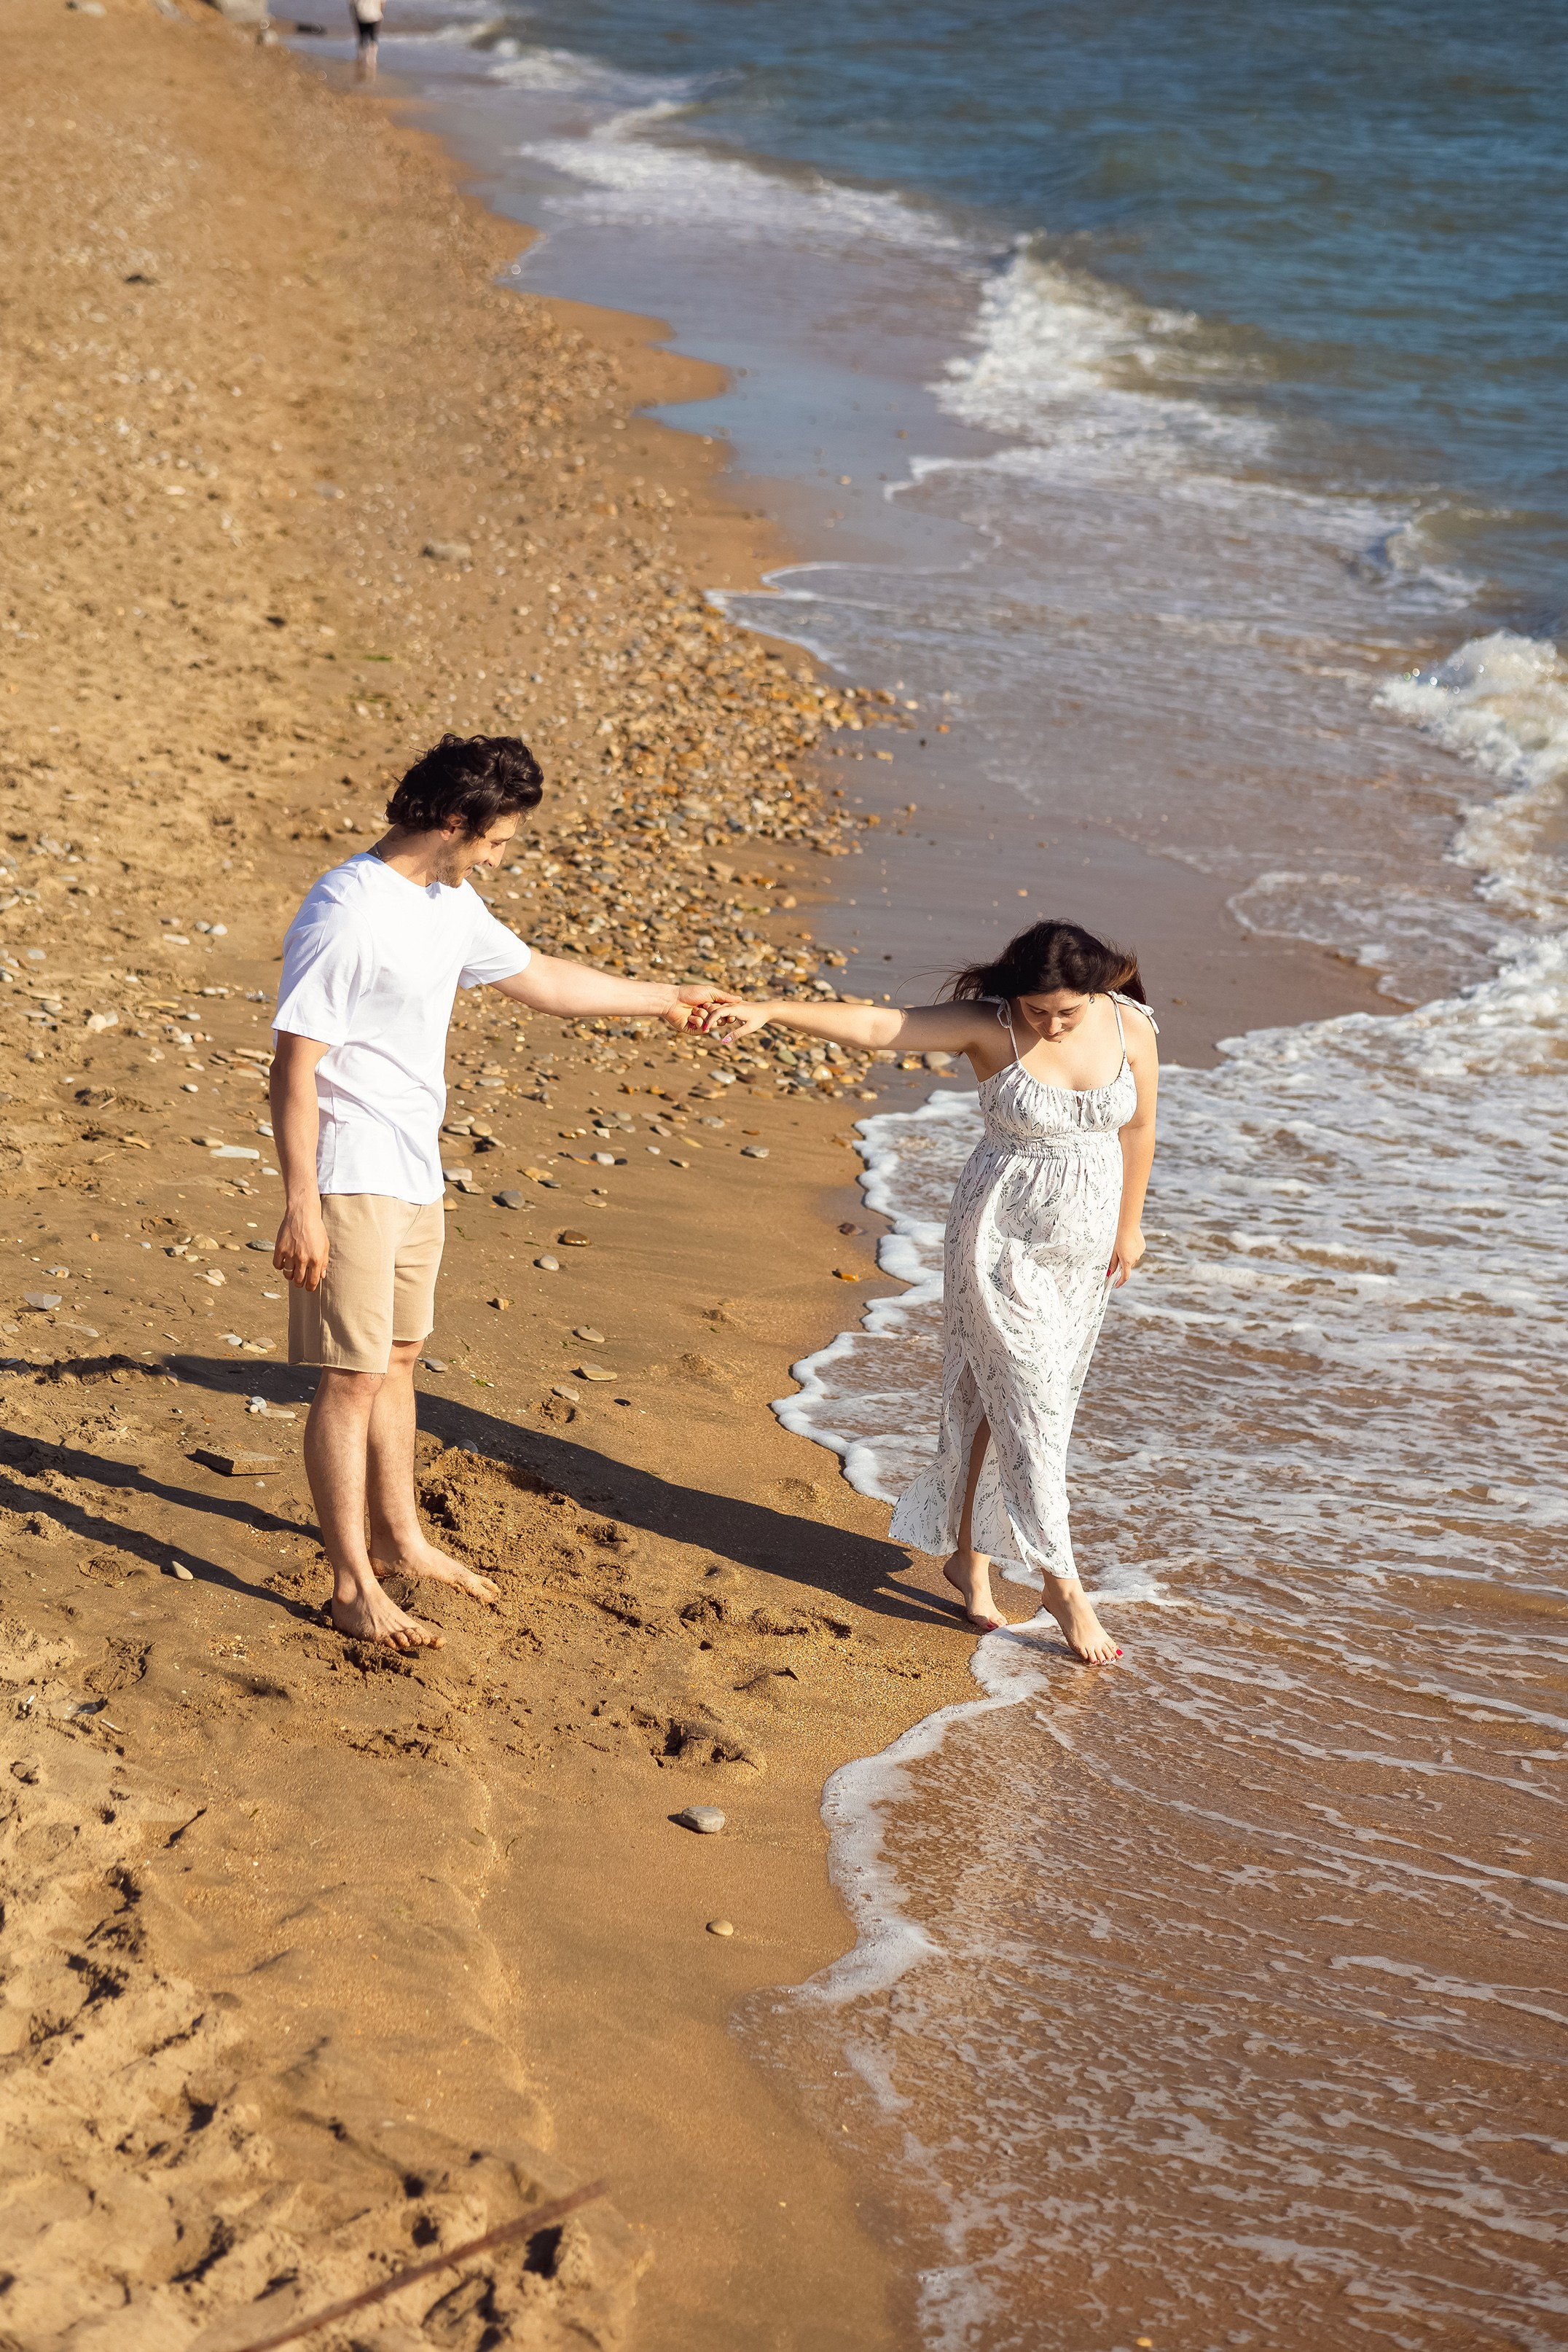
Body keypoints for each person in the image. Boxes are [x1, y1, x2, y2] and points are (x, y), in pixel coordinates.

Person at [271, 734, 737, 1654]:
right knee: (351, 1377)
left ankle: (402, 1542)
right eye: (497, 840)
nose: (500, 855)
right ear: (453, 822)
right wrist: (301, 1202)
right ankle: (351, 1583)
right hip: (350, 1170)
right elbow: (292, 1068)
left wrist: (666, 998)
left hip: (412, 1166)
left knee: (399, 1361)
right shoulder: (347, 914)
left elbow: (546, 983)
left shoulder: (447, 898)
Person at [705, 919, 1157, 1664]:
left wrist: (1130, 1226)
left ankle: (967, 1560)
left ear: (1095, 992)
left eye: (1065, 1013)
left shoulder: (1130, 1023)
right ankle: (1062, 1585)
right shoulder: (989, 1028)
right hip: (997, 1241)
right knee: (1033, 1401)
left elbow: (1138, 1126)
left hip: (1080, 1253)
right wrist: (772, 1009)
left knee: (1003, 1398)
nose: (1048, 1025)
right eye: (1036, 1010)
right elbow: (883, 1026)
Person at [348, 0, 381, 82]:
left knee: (362, 39)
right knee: (373, 39)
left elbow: (352, 5)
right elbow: (383, 4)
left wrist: (354, 17)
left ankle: (361, 58)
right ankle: (372, 60)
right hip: (374, 15)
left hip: (361, 15)